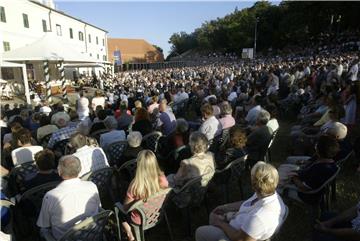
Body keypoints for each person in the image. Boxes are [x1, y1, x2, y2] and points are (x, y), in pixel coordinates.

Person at [196, 162, 287, 241]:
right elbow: (247, 203)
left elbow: (239, 239)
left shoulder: (259, 217)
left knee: (200, 231)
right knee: (213, 215)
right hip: (237, 225)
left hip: (234, 235)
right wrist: (224, 207)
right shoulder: (267, 193)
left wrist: (219, 223)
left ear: (254, 184)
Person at [37, 155, 101, 240]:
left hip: (65, 238)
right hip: (93, 234)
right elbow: (99, 207)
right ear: (80, 170)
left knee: (43, 230)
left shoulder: (50, 196)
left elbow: (44, 224)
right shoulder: (92, 185)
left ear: (59, 171)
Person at [121, 150, 168, 241]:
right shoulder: (163, 178)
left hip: (139, 220)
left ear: (139, 164)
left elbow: (125, 208)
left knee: (119, 211)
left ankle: (130, 233)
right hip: (156, 214)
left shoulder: (135, 185)